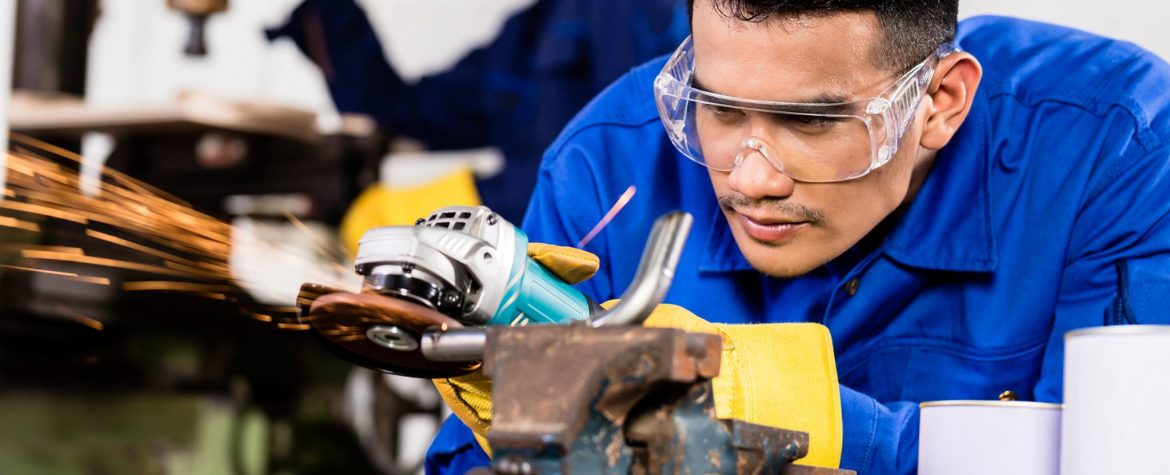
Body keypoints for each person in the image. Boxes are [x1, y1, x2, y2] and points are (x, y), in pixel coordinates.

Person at [427, 0, 1170, 473]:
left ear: (941, 102)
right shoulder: (606, 161)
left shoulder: (1116, 148)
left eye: (812, 123)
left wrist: (795, 411)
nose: (750, 179)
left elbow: (1116, 459)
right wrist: (520, 440)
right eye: (718, 109)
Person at [268, 0, 689, 222]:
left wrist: (478, 203)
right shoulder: (535, 31)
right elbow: (408, 109)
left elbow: (632, 171)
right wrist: (328, 14)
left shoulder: (652, 15)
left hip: (604, 292)